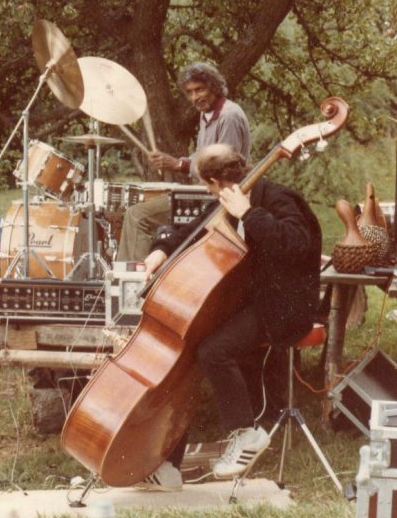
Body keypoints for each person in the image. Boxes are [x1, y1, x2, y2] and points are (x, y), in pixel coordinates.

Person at [134, 144, 321, 490]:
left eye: (206, 186)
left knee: (214, 351)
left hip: (284, 306)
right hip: (249, 302)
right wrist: (159, 251)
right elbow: (189, 232)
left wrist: (249, 213)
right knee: (188, 352)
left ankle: (246, 434)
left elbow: (297, 243)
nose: (209, 193)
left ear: (214, 181)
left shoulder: (278, 198)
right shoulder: (225, 200)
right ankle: (167, 464)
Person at [118, 62, 251, 262]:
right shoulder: (206, 114)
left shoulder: (229, 115)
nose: (195, 97)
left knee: (138, 215)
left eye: (200, 89)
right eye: (190, 92)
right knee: (138, 211)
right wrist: (175, 162)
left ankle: (138, 277)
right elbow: (201, 157)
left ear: (214, 87)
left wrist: (179, 165)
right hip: (207, 193)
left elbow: (224, 169)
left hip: (220, 198)